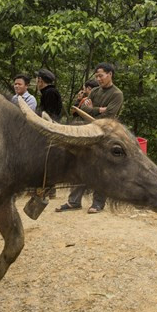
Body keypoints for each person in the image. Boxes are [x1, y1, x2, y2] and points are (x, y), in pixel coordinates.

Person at [56, 63, 124, 214]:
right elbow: (83, 109)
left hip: (105, 135)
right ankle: (74, 201)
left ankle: (98, 203)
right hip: (88, 132)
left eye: (101, 76)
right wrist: (99, 109)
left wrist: (93, 109)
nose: (98, 79)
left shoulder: (117, 94)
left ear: (110, 74)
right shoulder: (94, 91)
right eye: (97, 76)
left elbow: (109, 114)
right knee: (80, 165)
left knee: (102, 168)